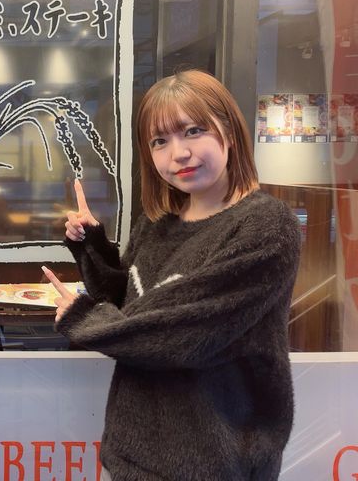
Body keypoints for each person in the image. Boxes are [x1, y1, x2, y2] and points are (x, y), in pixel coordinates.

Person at [42, 70, 301, 481]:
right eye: (159, 141)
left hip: (217, 464)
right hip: (132, 453)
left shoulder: (265, 226)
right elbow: (129, 304)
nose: (178, 153)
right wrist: (92, 245)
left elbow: (181, 334)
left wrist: (83, 318)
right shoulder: (158, 221)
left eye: (193, 131)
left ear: (229, 131)